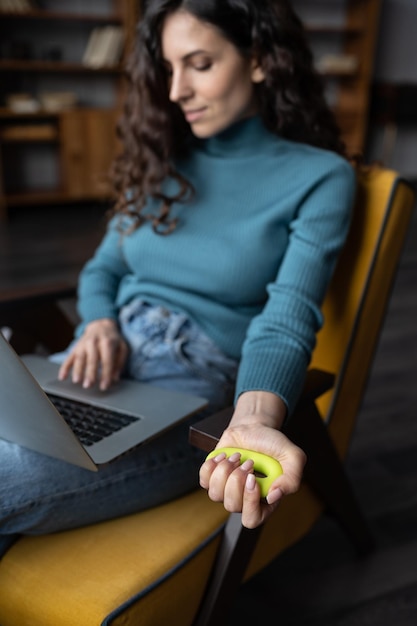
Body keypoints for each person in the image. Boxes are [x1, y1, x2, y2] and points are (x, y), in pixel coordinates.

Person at [0, 0, 357, 555]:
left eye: (200, 64)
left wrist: (255, 416)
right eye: (169, 69)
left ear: (259, 60)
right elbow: (105, 268)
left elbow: (288, 315)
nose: (176, 91)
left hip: (192, 387)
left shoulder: (319, 177)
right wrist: (98, 324)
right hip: (92, 366)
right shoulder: (163, 158)